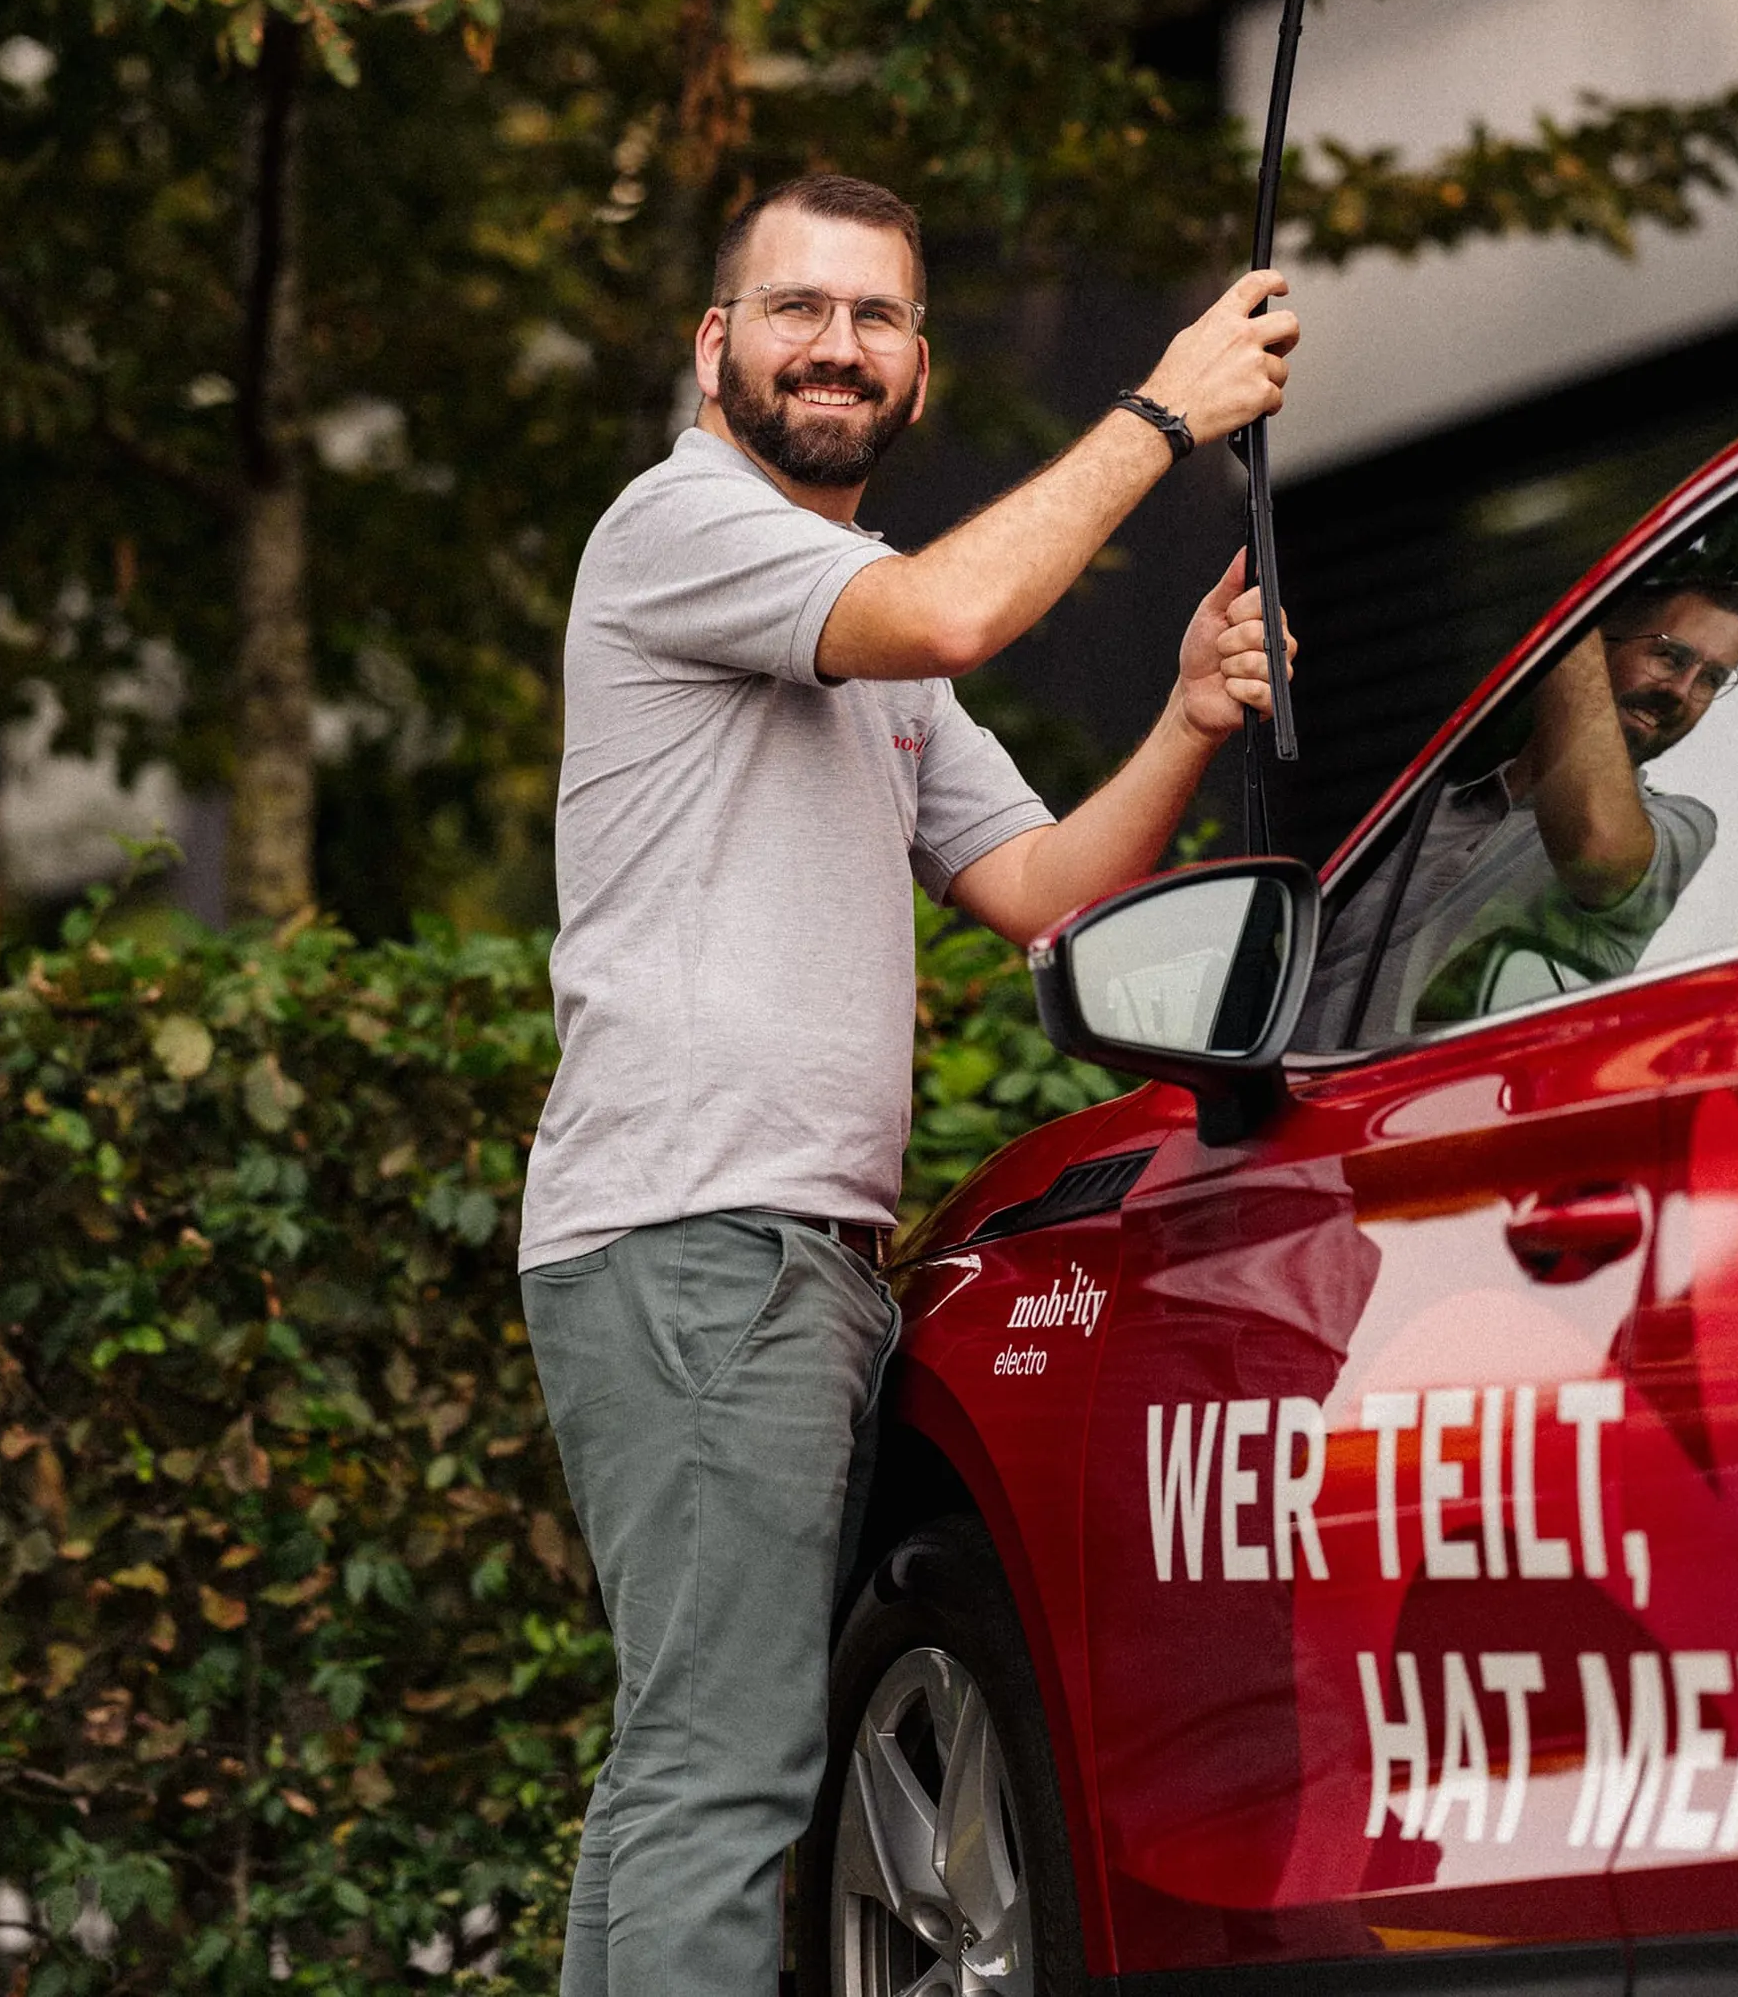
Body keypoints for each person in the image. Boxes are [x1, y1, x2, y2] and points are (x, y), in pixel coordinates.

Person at [514, 172, 1299, 1997]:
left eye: (876, 317)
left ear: (921, 367)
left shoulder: (846, 619)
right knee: (720, 1776)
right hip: (702, 1234)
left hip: (755, 1247)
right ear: (717, 345)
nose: (838, 346)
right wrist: (1167, 412)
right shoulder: (686, 523)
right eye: (798, 308)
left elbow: (1035, 890)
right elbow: (952, 610)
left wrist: (1186, 713)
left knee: (684, 1772)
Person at [1310, 573, 1738, 1044]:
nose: (1681, 691)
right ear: (1601, 641)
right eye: (1669, 655)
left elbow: (1599, 845)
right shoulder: (1417, 806)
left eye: (1711, 679)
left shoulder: (1681, 828)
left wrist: (1566, 602)